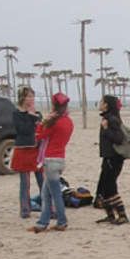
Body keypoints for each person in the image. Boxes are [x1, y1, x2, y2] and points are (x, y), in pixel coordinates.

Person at [29, 92, 74, 233]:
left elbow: (39, 136)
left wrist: (42, 123)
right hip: (60, 159)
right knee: (46, 194)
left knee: (54, 194)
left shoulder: (54, 122)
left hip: (50, 159)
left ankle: (61, 221)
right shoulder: (68, 122)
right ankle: (42, 223)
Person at [94, 95, 129, 225]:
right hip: (108, 157)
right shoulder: (107, 118)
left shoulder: (112, 119)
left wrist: (106, 129)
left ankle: (122, 215)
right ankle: (110, 215)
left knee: (110, 186)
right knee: (105, 186)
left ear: (106, 105)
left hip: (114, 158)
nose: (99, 103)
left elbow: (119, 138)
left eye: (101, 101)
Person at [11, 86, 43, 218]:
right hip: (23, 149)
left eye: (32, 96)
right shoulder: (16, 114)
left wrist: (35, 116)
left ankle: (49, 208)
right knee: (25, 183)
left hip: (36, 150)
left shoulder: (37, 113)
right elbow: (23, 130)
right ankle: (25, 210)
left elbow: (41, 128)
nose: (31, 99)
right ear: (22, 98)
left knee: (42, 181)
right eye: (29, 96)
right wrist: (31, 116)